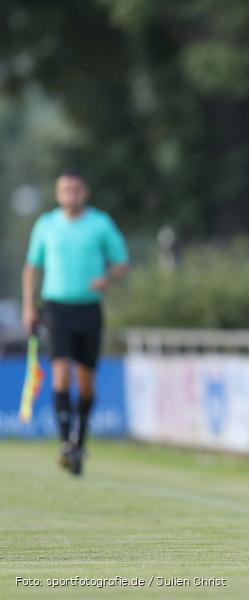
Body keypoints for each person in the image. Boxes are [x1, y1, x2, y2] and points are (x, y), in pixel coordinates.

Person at [22, 169, 129, 475]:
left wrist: (106, 279)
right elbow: (32, 267)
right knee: (60, 374)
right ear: (58, 193)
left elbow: (121, 262)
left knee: (85, 382)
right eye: (65, 190)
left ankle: (79, 442)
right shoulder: (46, 225)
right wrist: (30, 307)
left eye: (76, 190)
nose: (70, 195)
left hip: (89, 308)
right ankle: (65, 444)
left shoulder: (100, 224)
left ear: (85, 192)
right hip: (55, 307)